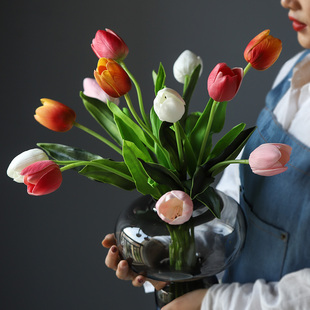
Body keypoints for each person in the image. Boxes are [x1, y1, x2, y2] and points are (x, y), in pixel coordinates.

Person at [102, 0, 310, 308]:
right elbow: (237, 195)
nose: (287, 1)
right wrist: (173, 261)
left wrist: (211, 303)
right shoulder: (294, 69)